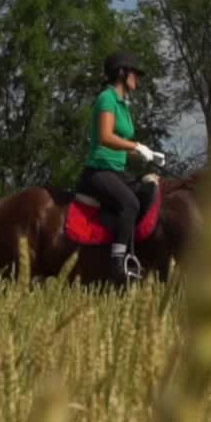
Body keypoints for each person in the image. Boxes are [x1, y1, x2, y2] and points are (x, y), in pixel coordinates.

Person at [77, 50, 165, 282]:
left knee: (148, 192)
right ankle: (117, 264)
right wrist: (136, 146)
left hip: (116, 170)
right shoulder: (107, 98)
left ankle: (135, 254)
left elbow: (121, 145)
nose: (137, 78)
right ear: (122, 73)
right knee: (130, 203)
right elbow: (105, 137)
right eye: (134, 73)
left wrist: (148, 155)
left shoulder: (123, 105)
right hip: (99, 171)